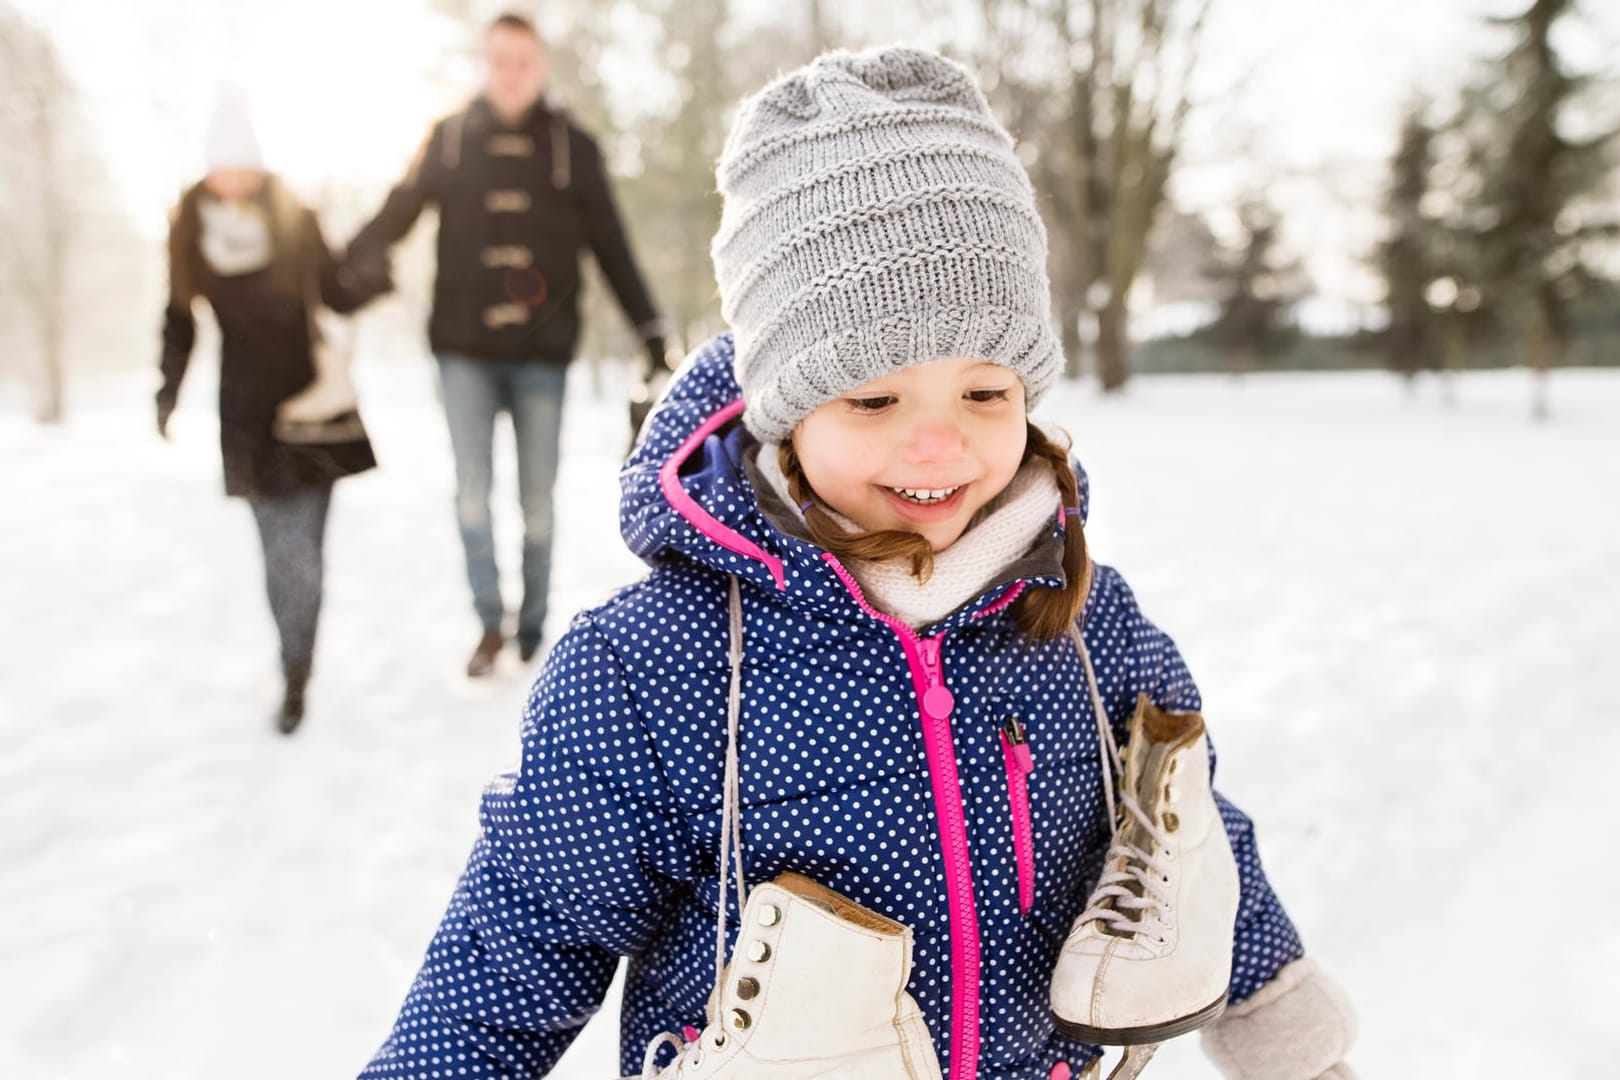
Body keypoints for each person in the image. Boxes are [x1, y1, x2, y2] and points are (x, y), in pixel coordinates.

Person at [358, 48, 1357, 1079]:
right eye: (874, 400)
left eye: (986, 394)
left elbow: (1185, 827)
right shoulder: (651, 670)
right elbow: (514, 953)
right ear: (784, 412)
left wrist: (1279, 1017)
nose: (940, 448)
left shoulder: (1083, 619)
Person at [345, 11, 668, 677]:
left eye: (523, 60)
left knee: (538, 502)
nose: (511, 73)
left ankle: (532, 624)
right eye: (500, 60)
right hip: (462, 348)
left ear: (540, 65)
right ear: (485, 63)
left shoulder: (571, 147)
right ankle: (488, 621)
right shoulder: (450, 138)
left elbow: (611, 243)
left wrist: (650, 329)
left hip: (542, 355)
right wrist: (349, 261)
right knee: (471, 493)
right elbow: (399, 210)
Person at [157, 89, 378, 735]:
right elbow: (178, 320)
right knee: (278, 553)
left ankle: (298, 660)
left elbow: (337, 288)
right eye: (224, 167)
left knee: (304, 552)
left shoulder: (293, 215)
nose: (235, 180)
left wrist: (370, 271)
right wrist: (166, 391)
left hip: (312, 406)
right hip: (246, 415)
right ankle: (294, 665)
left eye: (244, 165)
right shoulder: (190, 227)